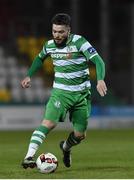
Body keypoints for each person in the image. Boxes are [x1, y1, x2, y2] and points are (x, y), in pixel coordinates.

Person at [21, 13, 107, 169]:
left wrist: (100, 79)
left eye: (61, 32)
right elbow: (40, 58)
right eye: (54, 31)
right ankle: (28, 157)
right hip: (60, 93)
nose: (57, 35)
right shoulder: (49, 45)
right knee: (48, 123)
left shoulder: (80, 42)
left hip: (82, 95)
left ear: (69, 30)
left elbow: (98, 60)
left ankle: (66, 148)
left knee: (80, 135)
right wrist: (29, 75)